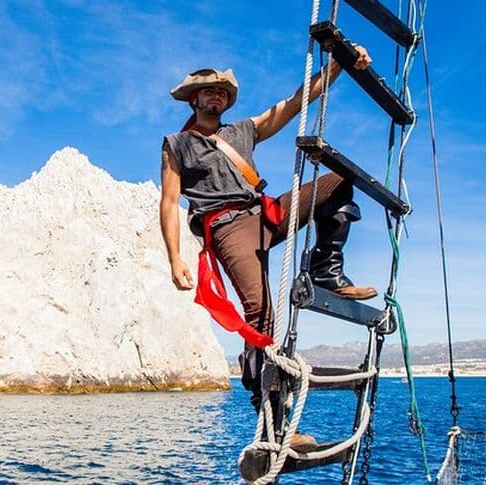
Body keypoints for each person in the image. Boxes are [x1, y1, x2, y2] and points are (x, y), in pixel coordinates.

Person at [159, 49, 376, 450]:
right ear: (194, 99)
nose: (217, 97)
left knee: (340, 180)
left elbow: (293, 104)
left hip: (265, 214)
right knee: (261, 315)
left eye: (222, 92)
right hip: (227, 228)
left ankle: (325, 269)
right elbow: (169, 204)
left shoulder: (242, 130)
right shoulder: (177, 145)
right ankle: (274, 425)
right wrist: (174, 258)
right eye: (209, 92)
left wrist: (338, 66)